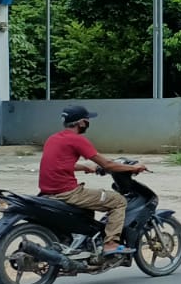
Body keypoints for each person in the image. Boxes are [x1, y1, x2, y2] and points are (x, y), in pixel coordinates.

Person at [38, 106, 148, 256]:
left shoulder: (53, 139)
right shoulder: (77, 140)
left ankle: (84, 242)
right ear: (82, 122)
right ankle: (111, 244)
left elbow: (59, 164)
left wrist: (84, 166)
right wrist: (133, 167)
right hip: (67, 193)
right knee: (118, 201)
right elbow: (107, 164)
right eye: (87, 120)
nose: (89, 123)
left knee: (89, 206)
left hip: (47, 192)